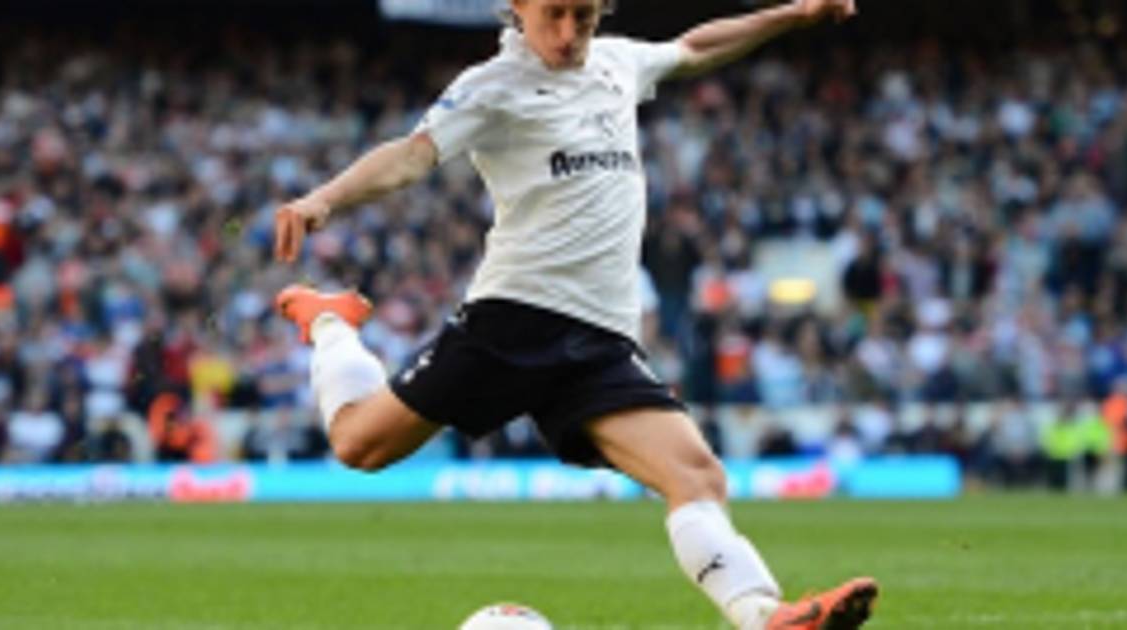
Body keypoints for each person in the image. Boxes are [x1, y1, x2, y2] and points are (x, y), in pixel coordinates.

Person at [272, 1, 876, 628]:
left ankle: (764, 615)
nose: (568, 35)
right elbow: (411, 155)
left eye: (583, 17)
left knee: (697, 474)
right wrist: (325, 200)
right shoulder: (491, 87)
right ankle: (329, 321)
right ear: (517, 7)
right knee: (358, 445)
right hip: (514, 320)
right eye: (553, 15)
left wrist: (794, 13)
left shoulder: (617, 63)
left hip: (602, 340)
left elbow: (696, 47)